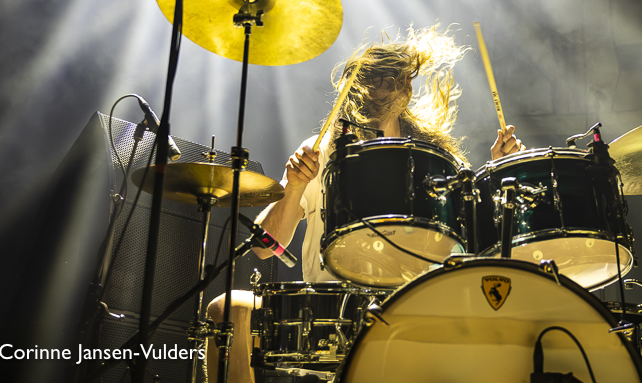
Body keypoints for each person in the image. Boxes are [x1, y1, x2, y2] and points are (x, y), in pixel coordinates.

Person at [205, 25, 524, 383]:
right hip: (331, 307)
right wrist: (294, 187)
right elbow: (265, 248)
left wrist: (497, 172)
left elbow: (474, 236)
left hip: (411, 303)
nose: (370, 92)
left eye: (381, 82)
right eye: (364, 83)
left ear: (403, 89)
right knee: (227, 310)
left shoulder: (433, 159)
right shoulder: (323, 149)